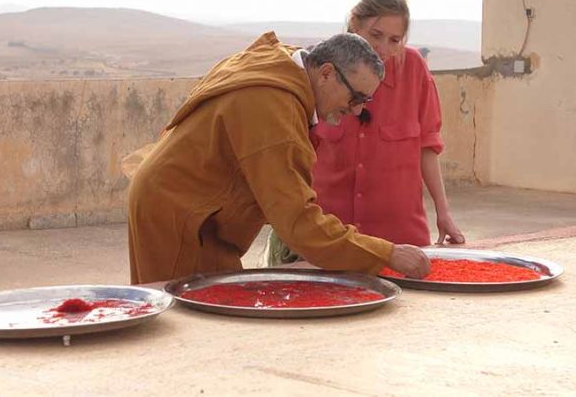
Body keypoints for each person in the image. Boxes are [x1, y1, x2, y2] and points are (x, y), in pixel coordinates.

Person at [126, 31, 430, 284]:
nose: (357, 111)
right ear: (326, 73)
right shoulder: (273, 111)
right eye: (355, 98)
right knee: (186, 316)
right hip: (180, 212)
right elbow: (297, 221)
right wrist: (386, 253)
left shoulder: (286, 64)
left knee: (218, 300)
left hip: (198, 205)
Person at [265, 0, 464, 267]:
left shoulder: (415, 70)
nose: (383, 48)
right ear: (354, 25)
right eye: (375, 35)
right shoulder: (324, 71)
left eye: (394, 40)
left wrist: (443, 212)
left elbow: (427, 147)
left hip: (400, 236)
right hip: (331, 238)